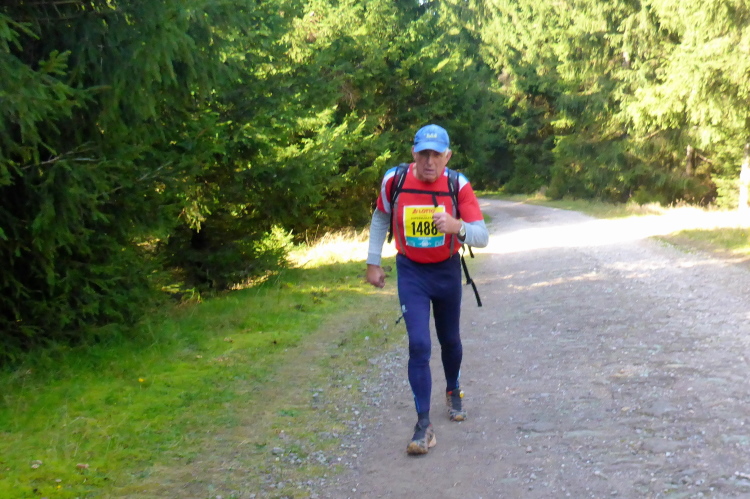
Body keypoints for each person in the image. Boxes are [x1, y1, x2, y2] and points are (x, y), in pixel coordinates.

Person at [365, 124, 489, 455]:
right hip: (412, 272)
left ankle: (453, 389)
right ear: (414, 154)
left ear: (447, 156)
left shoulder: (457, 185)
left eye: (436, 154)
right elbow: (380, 218)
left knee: (450, 339)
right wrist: (373, 262)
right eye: (423, 154)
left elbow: (482, 236)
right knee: (419, 345)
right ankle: (423, 425)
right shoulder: (395, 180)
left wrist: (457, 226)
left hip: (446, 271)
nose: (429, 161)